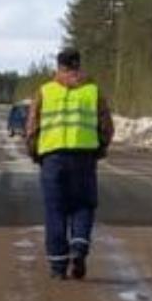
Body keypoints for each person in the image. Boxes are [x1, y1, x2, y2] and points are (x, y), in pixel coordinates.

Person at [26, 47, 114, 280]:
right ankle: (79, 248)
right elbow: (106, 126)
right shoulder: (93, 92)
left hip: (52, 159)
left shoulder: (45, 91)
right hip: (84, 157)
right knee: (83, 205)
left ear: (59, 66)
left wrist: (35, 153)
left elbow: (32, 127)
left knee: (55, 211)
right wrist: (100, 149)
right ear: (78, 65)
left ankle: (57, 267)